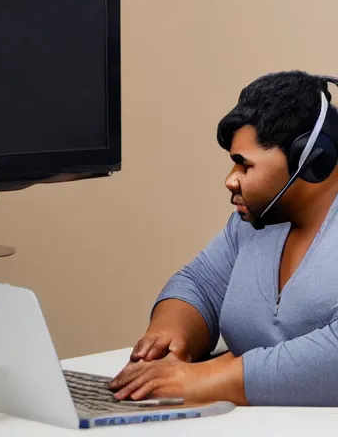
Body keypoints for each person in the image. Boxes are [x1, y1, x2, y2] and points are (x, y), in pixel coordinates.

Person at [109, 70, 338, 407]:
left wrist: (210, 378)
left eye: (244, 166)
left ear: (312, 159)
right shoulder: (251, 224)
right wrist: (171, 336)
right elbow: (199, 283)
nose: (231, 180)